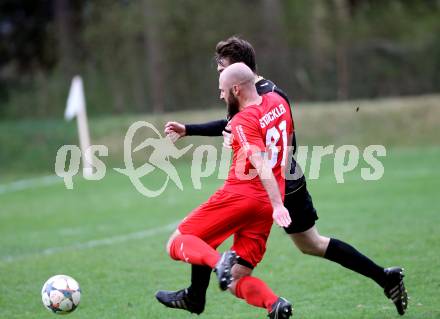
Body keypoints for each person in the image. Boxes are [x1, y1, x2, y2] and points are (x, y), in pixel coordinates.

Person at [157, 36, 408, 316]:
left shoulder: (252, 98)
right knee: (311, 244)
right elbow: (236, 126)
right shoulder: (269, 93)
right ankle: (385, 278)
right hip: (283, 178)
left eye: (222, 70)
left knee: (206, 237)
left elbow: (254, 137)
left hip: (275, 182)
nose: (220, 76)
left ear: (239, 75)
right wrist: (192, 130)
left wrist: (248, 152)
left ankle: (196, 296)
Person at [158, 62, 294, 318]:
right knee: (235, 278)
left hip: (242, 195)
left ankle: (217, 262)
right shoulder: (278, 101)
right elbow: (284, 150)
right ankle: (275, 304)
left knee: (176, 242)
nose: (220, 95)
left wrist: (278, 205)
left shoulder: (243, 120)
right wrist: (276, 199)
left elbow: (260, 161)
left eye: (222, 90)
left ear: (235, 89)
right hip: (266, 203)